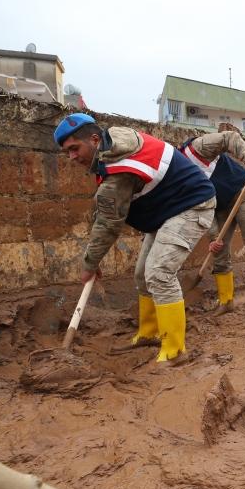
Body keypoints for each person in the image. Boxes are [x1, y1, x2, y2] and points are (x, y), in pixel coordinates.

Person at [54, 113, 216, 364]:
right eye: (67, 152)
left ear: (95, 140)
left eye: (75, 148)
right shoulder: (113, 143)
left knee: (159, 273)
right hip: (168, 209)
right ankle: (149, 332)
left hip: (193, 205)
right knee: (142, 274)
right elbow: (105, 214)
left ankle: (175, 350)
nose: (72, 157)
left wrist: (89, 264)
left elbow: (108, 223)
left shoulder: (118, 173)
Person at [180, 130, 245, 318]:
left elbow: (230, 138)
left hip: (241, 192)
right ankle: (226, 301)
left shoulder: (198, 148)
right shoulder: (181, 181)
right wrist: (213, 237)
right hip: (217, 207)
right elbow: (197, 205)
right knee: (218, 250)